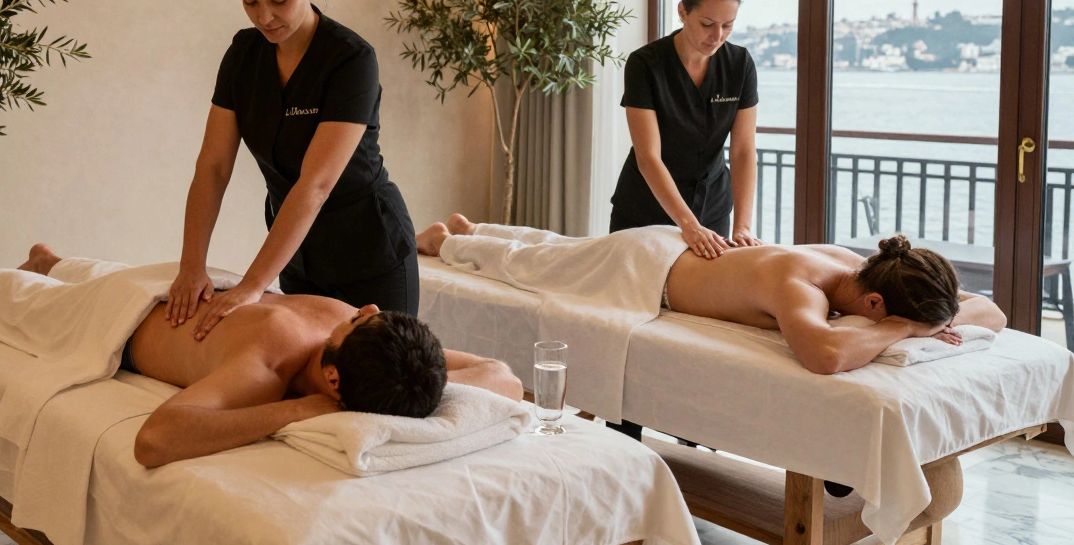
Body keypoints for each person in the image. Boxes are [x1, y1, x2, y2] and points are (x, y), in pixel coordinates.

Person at [0, 245, 522, 469]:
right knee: (14, 297)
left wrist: (310, 410)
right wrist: (296, 411)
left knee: (74, 283)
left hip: (166, 303)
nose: (362, 305)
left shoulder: (346, 348)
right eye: (367, 314)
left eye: (360, 319)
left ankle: (45, 264)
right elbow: (155, 441)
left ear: (335, 377)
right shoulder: (301, 348)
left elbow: (504, 378)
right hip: (136, 314)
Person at [170, 0, 418, 341]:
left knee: (381, 391)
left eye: (279, 0)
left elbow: (316, 184)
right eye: (248, 2)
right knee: (308, 380)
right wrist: (192, 268)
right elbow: (213, 167)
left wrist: (252, 285)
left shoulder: (350, 59)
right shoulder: (243, 55)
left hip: (370, 253)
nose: (264, 17)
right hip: (297, 255)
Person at [416, 215, 1007, 377]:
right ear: (877, 306)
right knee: (537, 266)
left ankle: (476, 228)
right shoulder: (801, 285)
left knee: (560, 249)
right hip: (645, 268)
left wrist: (931, 319)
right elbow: (824, 356)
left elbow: (993, 311)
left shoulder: (868, 269)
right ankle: (446, 241)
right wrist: (904, 331)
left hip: (672, 249)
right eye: (895, 318)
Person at [611, 0, 760, 260]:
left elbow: (744, 150)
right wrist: (689, 226)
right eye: (707, 24)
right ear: (682, 11)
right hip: (646, 209)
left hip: (713, 210)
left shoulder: (739, 65)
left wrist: (743, 226)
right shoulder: (646, 65)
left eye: (727, 26)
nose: (717, 36)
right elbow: (648, 157)